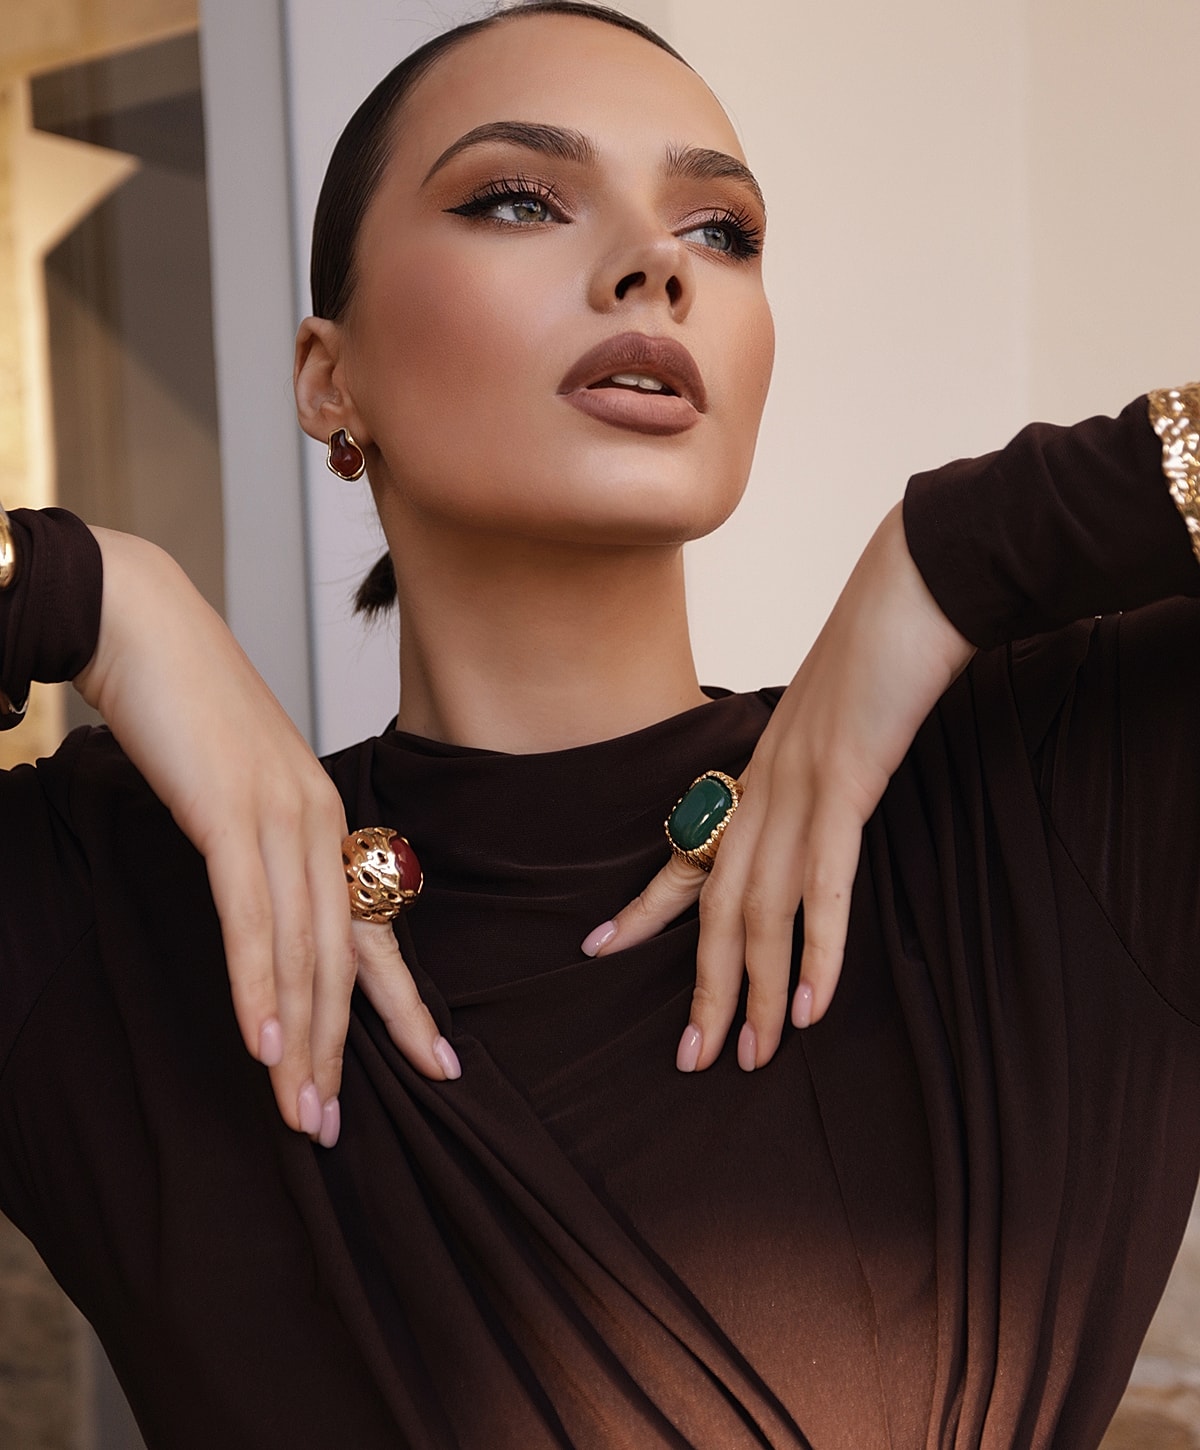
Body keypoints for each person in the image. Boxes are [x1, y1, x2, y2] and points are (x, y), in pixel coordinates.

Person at [0, 2, 1197, 1445]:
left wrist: (963, 550)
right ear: (331, 376)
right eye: (518, 198)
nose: (655, 266)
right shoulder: (113, 913)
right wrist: (95, 595)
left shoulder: (1044, 797)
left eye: (723, 232)